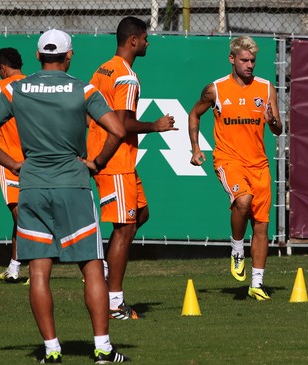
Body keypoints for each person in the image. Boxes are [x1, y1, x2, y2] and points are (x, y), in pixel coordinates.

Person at [0, 29, 130, 363]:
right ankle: (102, 348)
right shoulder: (83, 88)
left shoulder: (15, 90)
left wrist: (14, 163)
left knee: (40, 271)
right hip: (73, 185)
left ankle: (52, 350)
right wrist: (97, 162)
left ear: (38, 56)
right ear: (69, 55)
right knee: (91, 267)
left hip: (32, 185)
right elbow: (118, 130)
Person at [86, 16, 177, 320]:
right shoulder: (125, 76)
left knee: (140, 215)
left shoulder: (103, 68)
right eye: (146, 38)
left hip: (115, 159)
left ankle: (107, 271)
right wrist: (155, 125)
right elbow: (123, 124)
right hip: (116, 161)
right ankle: (114, 302)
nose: (148, 43)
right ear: (134, 41)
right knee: (124, 229)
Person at [188, 35, 283, 300]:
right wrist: (196, 148)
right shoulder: (216, 89)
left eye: (253, 60)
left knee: (262, 226)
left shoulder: (265, 88)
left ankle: (257, 284)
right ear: (232, 59)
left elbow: (278, 129)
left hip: (259, 164)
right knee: (243, 200)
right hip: (229, 160)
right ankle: (237, 248)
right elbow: (194, 113)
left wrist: (273, 120)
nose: (250, 65)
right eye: (244, 60)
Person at [0, 47, 27, 284]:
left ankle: (39, 266)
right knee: (21, 217)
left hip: (9, 162)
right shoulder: (33, 84)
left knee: (23, 217)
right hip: (35, 160)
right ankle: (14, 268)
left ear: (2, 67)